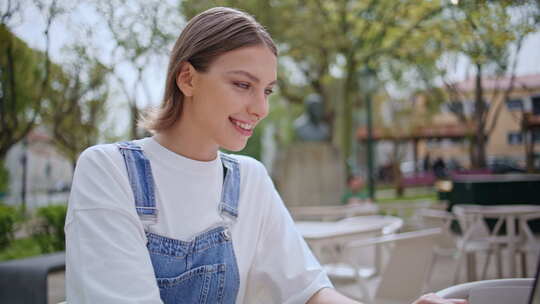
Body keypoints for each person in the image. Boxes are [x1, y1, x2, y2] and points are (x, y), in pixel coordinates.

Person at [65, 7, 466, 304]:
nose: (261, 108)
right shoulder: (109, 169)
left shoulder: (248, 178)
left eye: (268, 90)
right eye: (243, 84)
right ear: (187, 78)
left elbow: (309, 293)